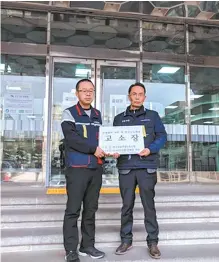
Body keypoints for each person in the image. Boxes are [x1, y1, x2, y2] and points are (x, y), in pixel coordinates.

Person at [113, 82, 167, 259]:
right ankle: (126, 240)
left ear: (145, 97)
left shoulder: (153, 116)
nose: (137, 97)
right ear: (129, 96)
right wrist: (113, 150)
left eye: (140, 94)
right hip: (126, 168)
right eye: (134, 94)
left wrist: (150, 149)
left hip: (146, 167)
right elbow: (113, 141)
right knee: (126, 206)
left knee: (148, 206)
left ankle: (153, 242)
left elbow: (162, 136)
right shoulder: (119, 118)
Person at [61, 79, 106, 262]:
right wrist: (93, 149)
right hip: (77, 169)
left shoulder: (97, 114)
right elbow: (71, 139)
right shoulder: (69, 113)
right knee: (73, 210)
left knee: (91, 209)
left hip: (95, 168)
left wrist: (110, 149)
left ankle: (87, 245)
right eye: (84, 90)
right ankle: (71, 250)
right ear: (77, 93)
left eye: (91, 91)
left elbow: (102, 140)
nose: (88, 93)